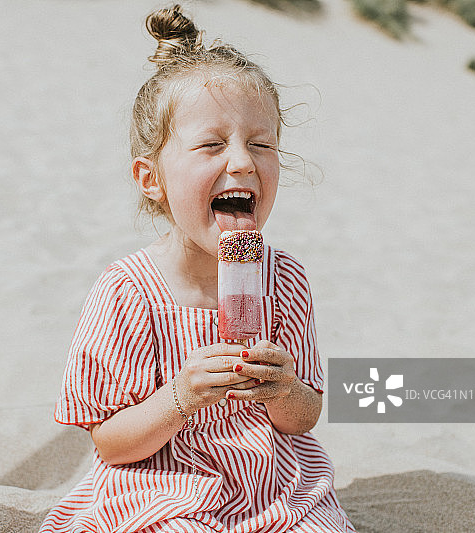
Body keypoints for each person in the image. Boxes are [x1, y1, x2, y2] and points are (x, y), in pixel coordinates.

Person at [40, 4, 354, 532]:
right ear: (151, 179)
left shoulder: (287, 281)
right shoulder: (128, 292)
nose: (242, 162)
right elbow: (111, 442)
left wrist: (284, 389)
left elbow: (305, 416)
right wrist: (180, 395)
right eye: (211, 145)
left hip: (275, 489)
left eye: (262, 144)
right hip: (163, 487)